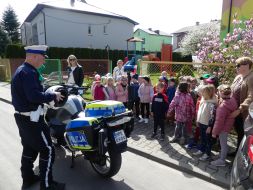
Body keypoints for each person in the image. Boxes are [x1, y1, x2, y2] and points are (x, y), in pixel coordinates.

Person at [11, 45, 65, 190]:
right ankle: (47, 185)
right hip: (33, 120)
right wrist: (53, 95)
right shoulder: (29, 73)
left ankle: (28, 179)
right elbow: (34, 96)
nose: (43, 61)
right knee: (47, 149)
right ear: (34, 56)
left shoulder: (21, 70)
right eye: (42, 58)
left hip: (23, 118)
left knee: (29, 148)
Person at [229, 57, 253, 156]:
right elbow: (232, 90)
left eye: (239, 65)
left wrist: (240, 109)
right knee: (239, 132)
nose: (237, 67)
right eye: (236, 65)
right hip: (234, 109)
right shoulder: (238, 76)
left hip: (243, 112)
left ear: (247, 66)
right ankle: (237, 153)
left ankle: (241, 156)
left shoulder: (251, 78)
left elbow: (251, 96)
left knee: (243, 134)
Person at [211, 85, 238, 167]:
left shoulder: (222, 107)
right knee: (223, 142)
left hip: (223, 127)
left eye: (218, 91)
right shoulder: (232, 99)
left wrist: (214, 132)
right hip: (228, 125)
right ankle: (221, 156)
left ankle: (222, 160)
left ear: (221, 93)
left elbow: (219, 122)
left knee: (223, 143)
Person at [193, 84, 217, 161]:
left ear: (208, 93)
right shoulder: (203, 100)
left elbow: (212, 116)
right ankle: (202, 150)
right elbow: (200, 111)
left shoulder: (212, 104)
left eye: (203, 92)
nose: (202, 93)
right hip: (201, 123)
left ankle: (207, 153)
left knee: (208, 140)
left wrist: (210, 126)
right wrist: (197, 120)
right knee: (203, 138)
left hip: (207, 125)